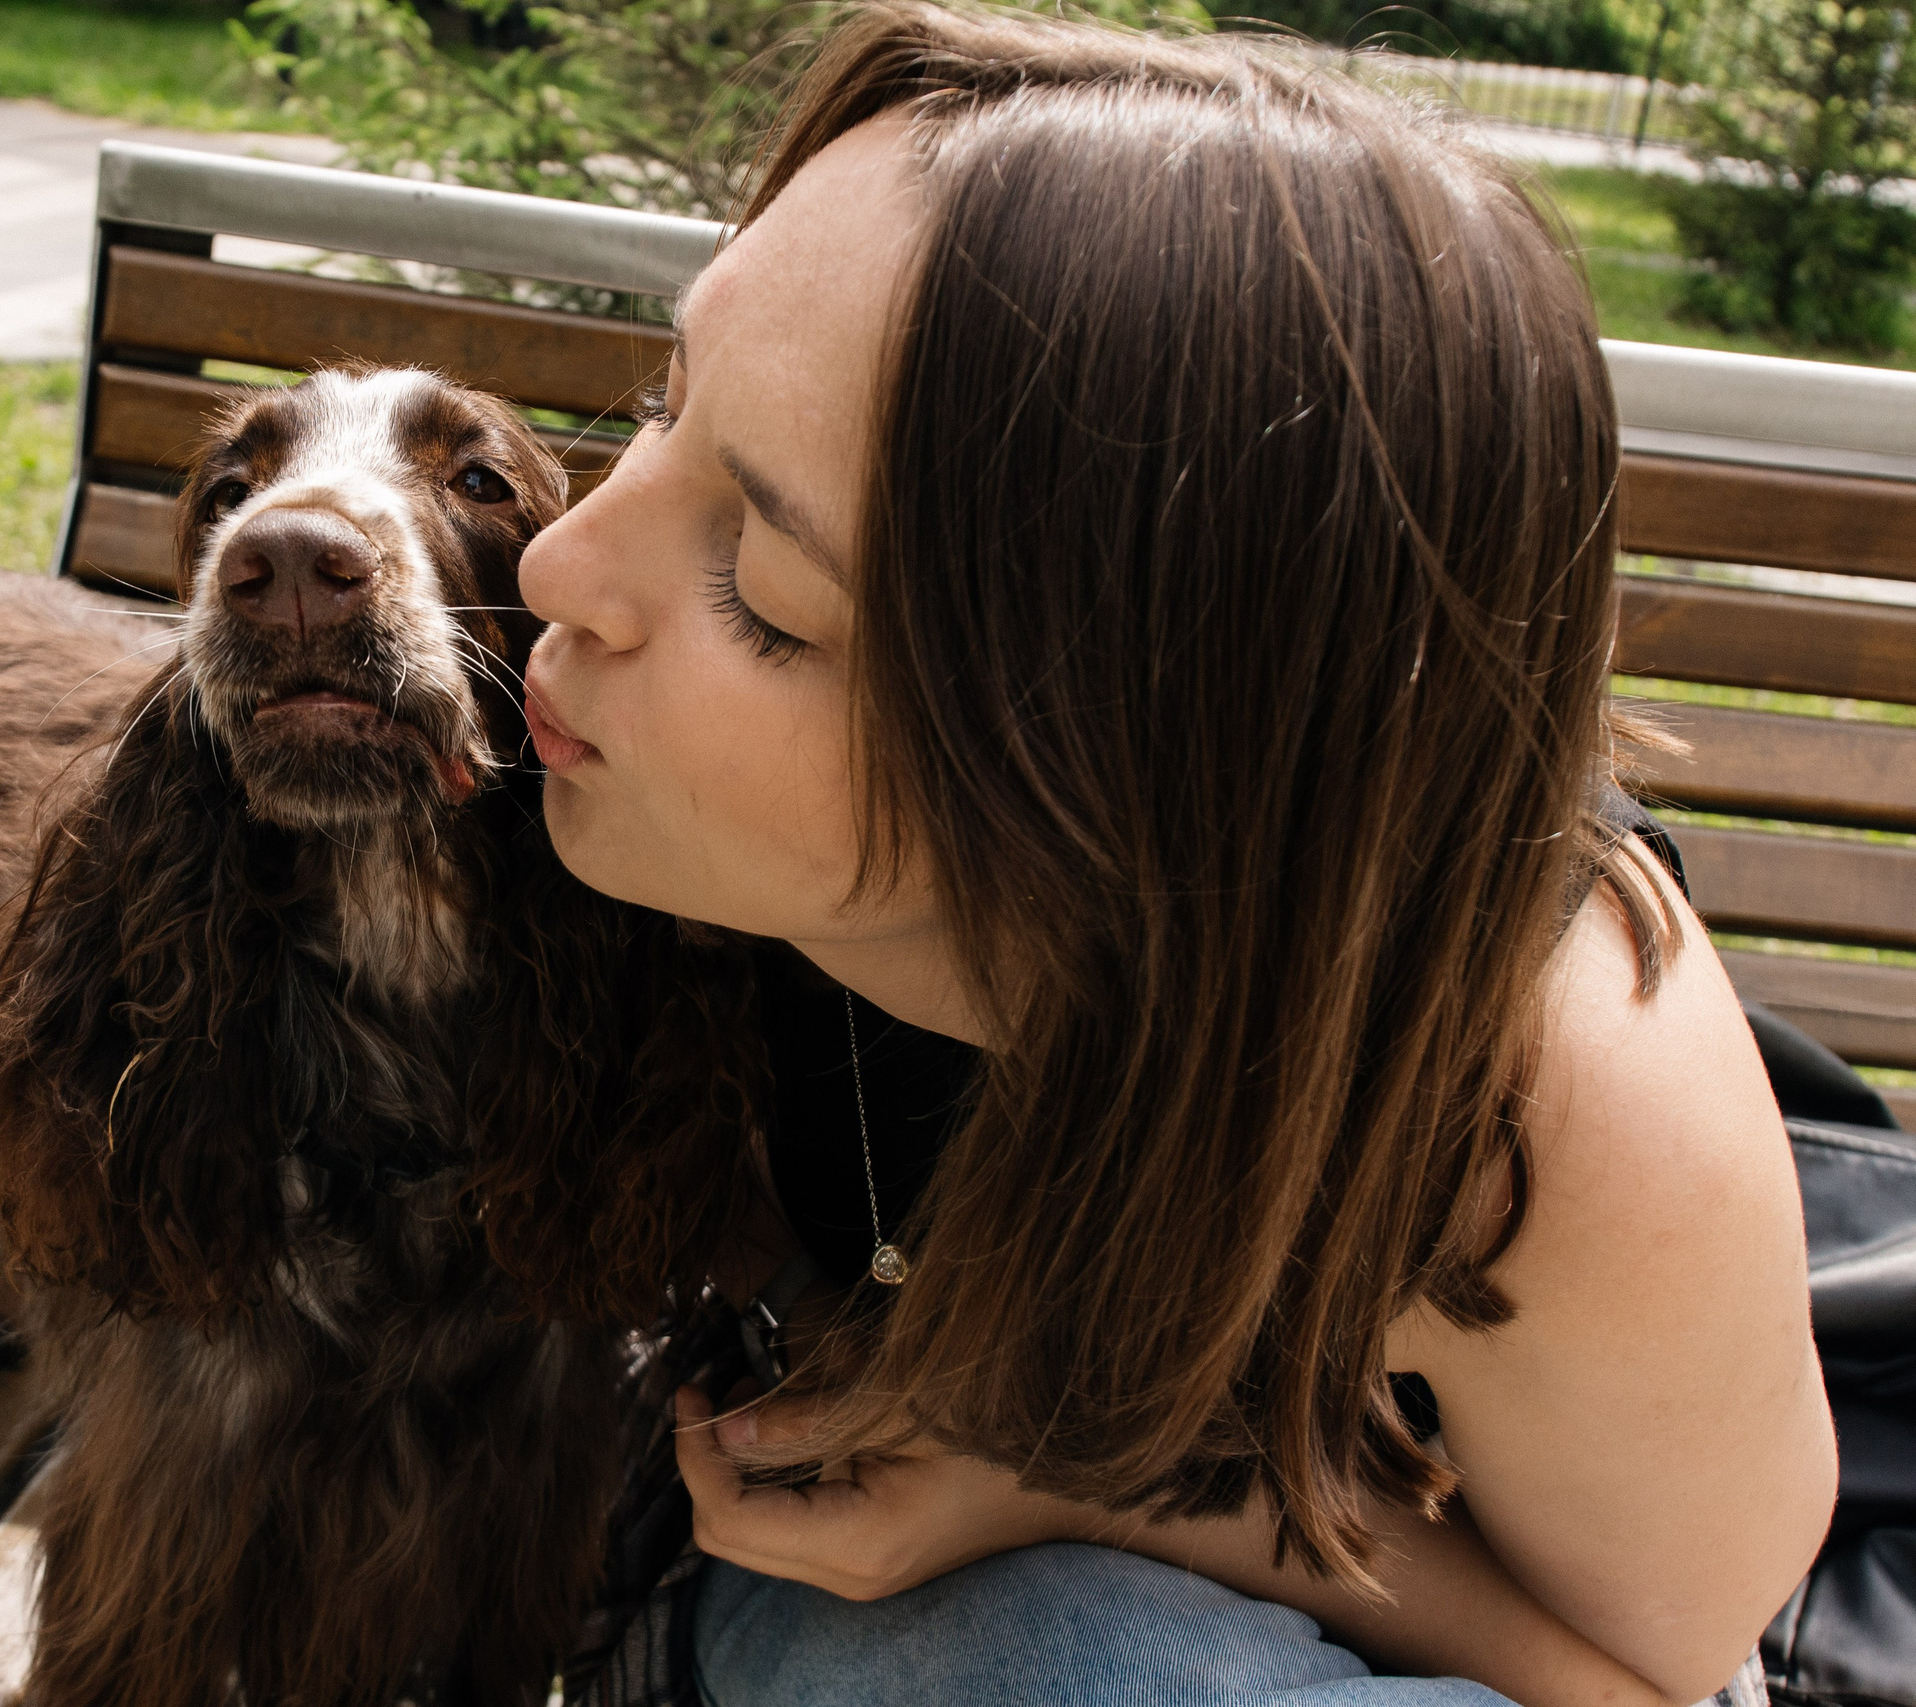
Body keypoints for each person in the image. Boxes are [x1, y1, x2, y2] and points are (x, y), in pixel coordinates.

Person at [513, 7, 1838, 1705]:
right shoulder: (568, 750)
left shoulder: (1548, 1089)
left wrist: (1086, 1499)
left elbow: (1654, 1675)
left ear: (1112, 769)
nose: (558, 567)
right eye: (662, 401)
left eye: (765, 595)